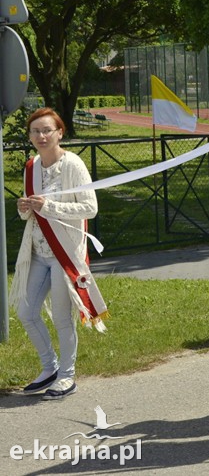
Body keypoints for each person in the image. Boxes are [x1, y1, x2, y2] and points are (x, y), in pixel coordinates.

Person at [14, 108, 105, 400]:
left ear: (59, 133)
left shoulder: (73, 165)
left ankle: (67, 376)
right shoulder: (31, 167)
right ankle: (49, 367)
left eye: (46, 131)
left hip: (64, 253)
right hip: (38, 252)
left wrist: (50, 207)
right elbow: (31, 213)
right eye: (35, 131)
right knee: (26, 312)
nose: (41, 136)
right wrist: (24, 209)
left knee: (62, 318)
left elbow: (90, 208)